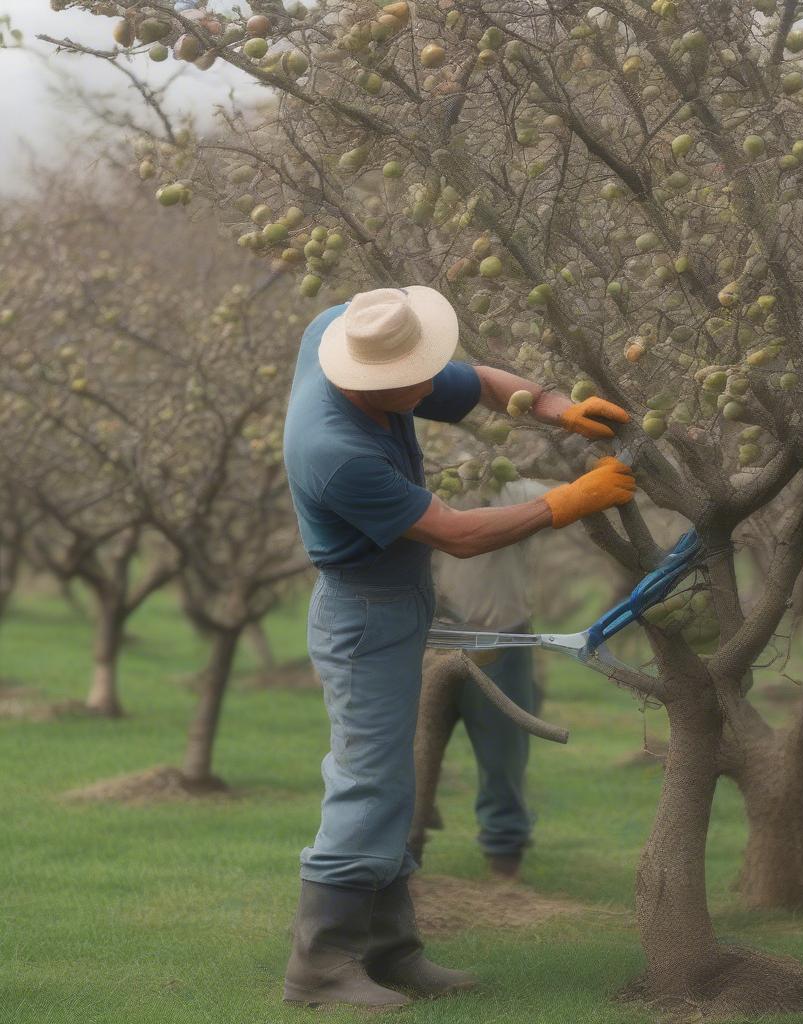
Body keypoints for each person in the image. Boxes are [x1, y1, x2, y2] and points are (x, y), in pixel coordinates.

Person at [281, 286, 634, 1009]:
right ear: (373, 382)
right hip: (364, 613)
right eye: (421, 374)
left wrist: (556, 405)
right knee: (367, 782)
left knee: (391, 782)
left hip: (392, 599)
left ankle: (389, 950)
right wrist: (569, 501)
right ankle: (319, 967)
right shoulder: (336, 450)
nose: (435, 382)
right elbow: (458, 535)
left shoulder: (346, 338)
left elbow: (482, 383)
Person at [431, 475, 551, 881]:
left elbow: (561, 504)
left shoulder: (512, 491)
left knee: (504, 756)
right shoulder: (420, 490)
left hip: (500, 637)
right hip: (429, 642)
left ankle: (504, 865)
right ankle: (402, 859)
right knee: (410, 752)